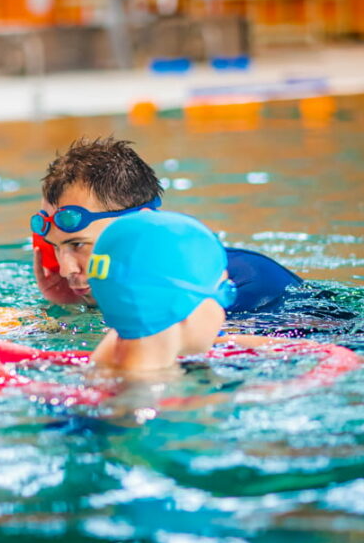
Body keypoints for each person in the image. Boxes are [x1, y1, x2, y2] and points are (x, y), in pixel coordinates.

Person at [31, 137, 302, 312]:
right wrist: (68, 308)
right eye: (55, 248)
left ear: (142, 225)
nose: (66, 269)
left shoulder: (245, 286)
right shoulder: (125, 291)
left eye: (78, 244)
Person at [87, 210, 277, 372]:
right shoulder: (172, 404)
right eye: (226, 292)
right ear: (180, 305)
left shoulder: (99, 365)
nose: (222, 311)